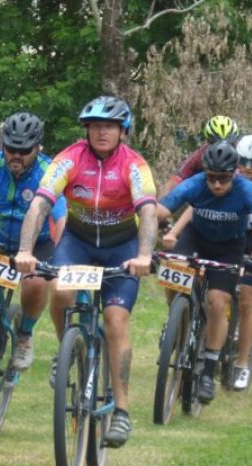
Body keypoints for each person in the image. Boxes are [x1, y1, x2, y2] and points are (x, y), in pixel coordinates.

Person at [14, 96, 158, 448]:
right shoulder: (69, 159)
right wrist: (25, 250)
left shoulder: (134, 165)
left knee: (115, 320)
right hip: (77, 242)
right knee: (60, 290)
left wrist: (143, 255)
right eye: (95, 126)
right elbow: (40, 204)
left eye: (109, 126)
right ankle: (70, 345)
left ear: (123, 131)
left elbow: (149, 212)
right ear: (87, 131)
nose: (101, 132)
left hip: (121, 248)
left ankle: (121, 412)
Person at [156, 141, 252, 403]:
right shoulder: (196, 183)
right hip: (195, 239)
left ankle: (208, 368)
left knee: (218, 302)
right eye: (212, 178)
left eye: (223, 179)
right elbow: (160, 210)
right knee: (173, 271)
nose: (217, 185)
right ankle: (177, 317)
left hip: (229, 247)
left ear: (234, 174)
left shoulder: (246, 191)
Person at [0, 111, 67, 375]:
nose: (15, 156)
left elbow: (61, 216)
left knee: (35, 283)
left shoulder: (47, 172)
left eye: (24, 150)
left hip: (35, 245)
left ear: (37, 148)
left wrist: (65, 255)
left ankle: (24, 334)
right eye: (10, 148)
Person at [160, 115, 239, 197]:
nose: (221, 151)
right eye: (215, 144)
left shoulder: (242, 155)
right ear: (208, 142)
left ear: (235, 142)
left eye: (229, 145)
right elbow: (172, 184)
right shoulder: (199, 156)